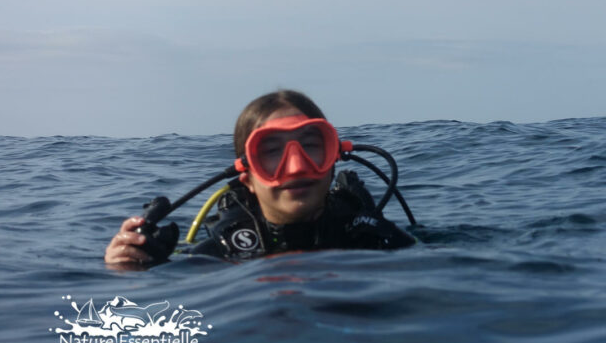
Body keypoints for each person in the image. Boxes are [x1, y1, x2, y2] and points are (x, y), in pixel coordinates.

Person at [105, 90, 416, 268]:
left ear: (333, 158)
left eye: (311, 145)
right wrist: (130, 265)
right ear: (248, 177)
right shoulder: (219, 254)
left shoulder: (372, 238)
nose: (297, 167)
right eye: (271, 152)